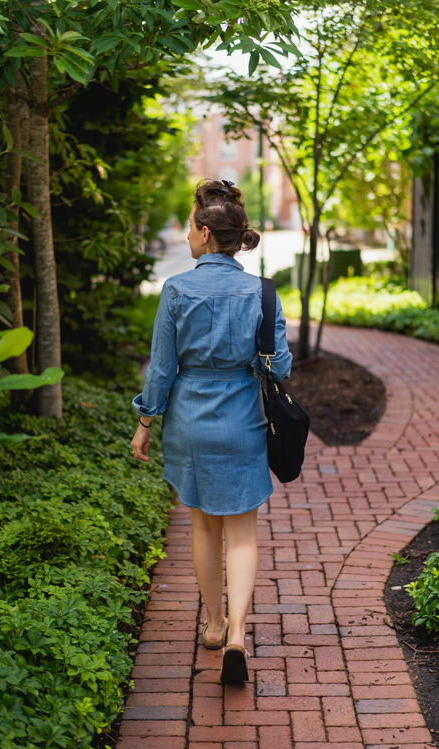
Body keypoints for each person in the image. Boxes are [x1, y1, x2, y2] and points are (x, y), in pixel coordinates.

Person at [130, 178, 292, 683]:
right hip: (244, 418)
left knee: (203, 526)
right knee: (243, 531)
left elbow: (161, 368)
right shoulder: (260, 292)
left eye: (189, 227)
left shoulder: (177, 289)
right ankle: (241, 634)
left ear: (203, 233)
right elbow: (281, 365)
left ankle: (216, 625)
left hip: (190, 421)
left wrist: (144, 422)